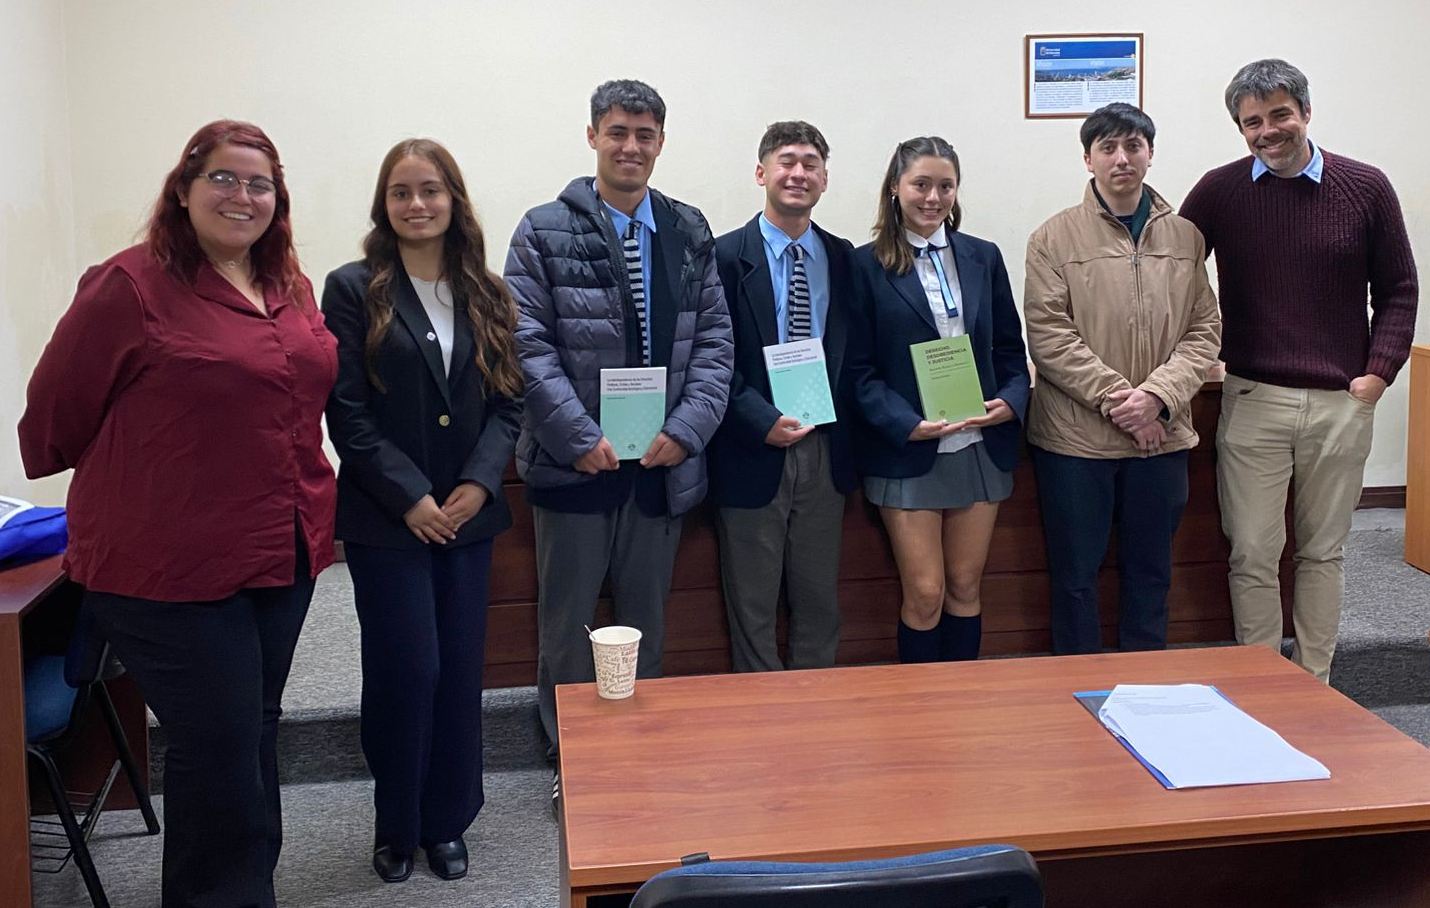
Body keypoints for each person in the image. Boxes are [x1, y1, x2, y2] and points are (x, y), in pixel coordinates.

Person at [19, 120, 336, 908]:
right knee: (220, 744)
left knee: (251, 734)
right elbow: (53, 421)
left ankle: (247, 891)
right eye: (223, 178)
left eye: (260, 183)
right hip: (168, 562)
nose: (242, 195)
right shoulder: (128, 286)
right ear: (184, 189)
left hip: (284, 544)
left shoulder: (287, 284)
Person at [502, 79, 732, 796]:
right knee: (568, 623)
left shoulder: (688, 229)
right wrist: (576, 435)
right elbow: (526, 345)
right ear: (593, 136)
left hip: (662, 465)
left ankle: (638, 752)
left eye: (645, 135)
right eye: (618, 132)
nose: (631, 146)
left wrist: (686, 430)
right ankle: (571, 759)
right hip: (575, 464)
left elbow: (715, 342)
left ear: (660, 143)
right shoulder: (543, 229)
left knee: (644, 623)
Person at [322, 139, 522, 883]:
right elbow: (346, 411)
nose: (417, 204)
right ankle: (397, 823)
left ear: (453, 200)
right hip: (388, 520)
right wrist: (411, 496)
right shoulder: (353, 289)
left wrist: (479, 483)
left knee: (459, 669)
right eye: (401, 192)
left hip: (469, 518)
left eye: (431, 189)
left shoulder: (487, 292)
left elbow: (510, 403)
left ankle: (447, 822)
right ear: (385, 205)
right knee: (407, 670)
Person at [1181, 59, 1418, 681]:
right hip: (1253, 398)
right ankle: (1263, 686)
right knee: (1253, 553)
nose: (1267, 131)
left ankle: (1315, 686)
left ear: (1306, 112)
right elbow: (1169, 271)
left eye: (1279, 114)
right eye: (1251, 122)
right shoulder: (1219, 191)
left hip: (1342, 402)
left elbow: (1399, 288)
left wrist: (1377, 376)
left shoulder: (1366, 187)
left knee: (1322, 554)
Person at [1023, 103, 1221, 655]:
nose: (1121, 158)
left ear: (1150, 154)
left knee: (1151, 573)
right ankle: (1077, 685)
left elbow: (1204, 329)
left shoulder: (1185, 237)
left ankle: (1145, 686)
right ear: (1088, 159)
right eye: (1107, 147)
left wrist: (1157, 397)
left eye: (1133, 146)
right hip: (1076, 443)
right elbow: (1049, 336)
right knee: (1076, 579)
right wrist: (1123, 403)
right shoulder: (1052, 238)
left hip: (1161, 440)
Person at [849, 137, 1030, 664]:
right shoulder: (864, 265)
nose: (933, 197)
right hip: (909, 447)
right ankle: (922, 701)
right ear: (895, 188)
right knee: (926, 592)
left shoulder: (982, 256)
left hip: (977, 444)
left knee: (966, 586)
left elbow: (1009, 348)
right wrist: (904, 423)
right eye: (921, 185)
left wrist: (1011, 401)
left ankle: (963, 699)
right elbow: (856, 368)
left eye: (945, 186)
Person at [707, 121, 858, 672]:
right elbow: (708, 359)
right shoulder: (722, 257)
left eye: (811, 164)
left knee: (819, 600)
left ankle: (816, 707)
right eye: (786, 161)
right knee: (752, 606)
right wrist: (759, 419)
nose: (799, 173)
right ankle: (761, 710)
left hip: (824, 447)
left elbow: (854, 354)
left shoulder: (844, 258)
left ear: (824, 179)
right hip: (752, 446)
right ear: (761, 172)